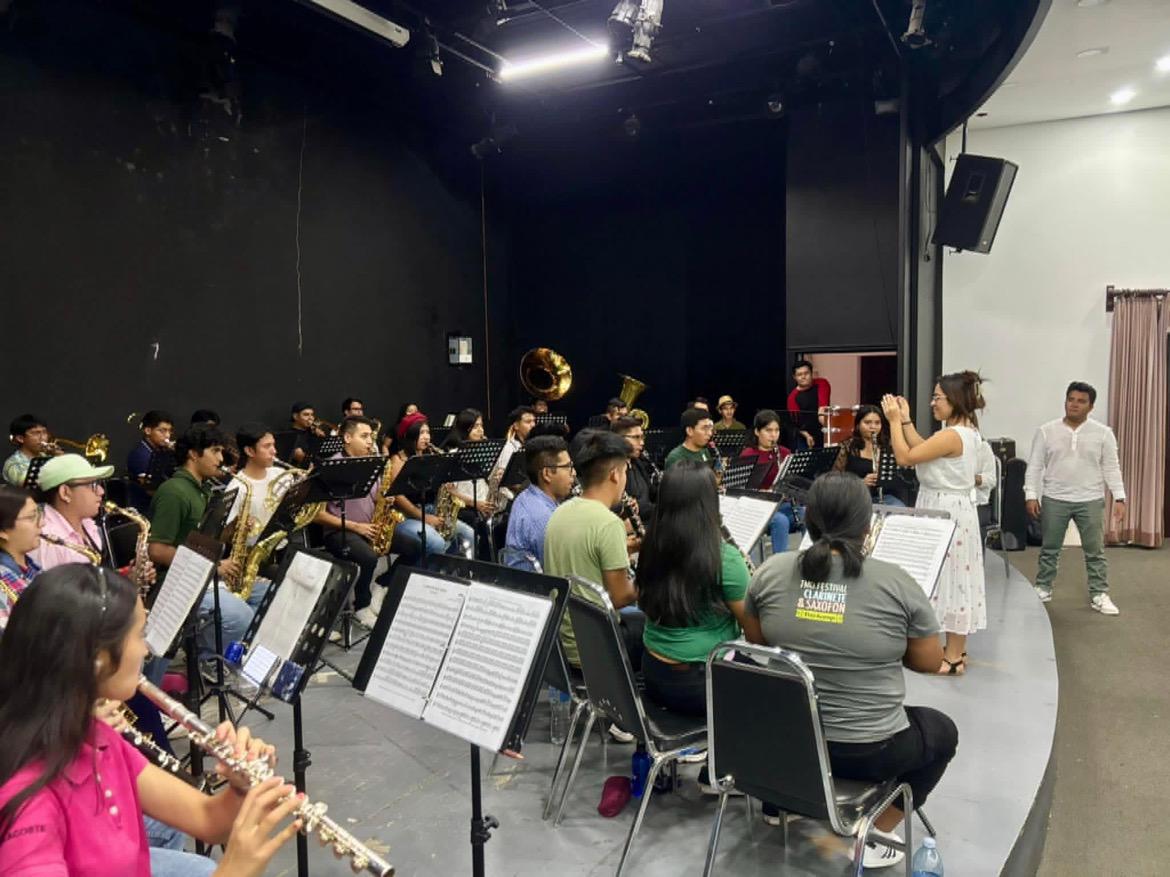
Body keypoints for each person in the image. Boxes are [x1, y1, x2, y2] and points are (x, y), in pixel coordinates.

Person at [0, 563, 300, 876]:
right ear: (98, 658)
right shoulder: (28, 802)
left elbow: (208, 819)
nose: (146, 650)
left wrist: (239, 788)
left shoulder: (97, 737)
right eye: (140, 635)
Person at [745, 472, 955, 867]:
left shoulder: (770, 571)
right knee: (942, 732)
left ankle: (782, 800)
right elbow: (929, 661)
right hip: (869, 750)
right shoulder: (896, 581)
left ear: (808, 520)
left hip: (785, 744)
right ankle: (875, 832)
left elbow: (757, 641)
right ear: (867, 526)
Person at [882, 372, 986, 675]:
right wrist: (906, 421)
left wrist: (893, 421)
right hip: (949, 506)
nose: (932, 403)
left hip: (946, 508)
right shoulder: (960, 432)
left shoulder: (953, 435)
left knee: (951, 576)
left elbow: (906, 457)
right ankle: (957, 650)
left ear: (954, 399)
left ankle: (953, 658)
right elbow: (924, 450)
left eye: (937, 397)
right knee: (953, 577)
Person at [636, 463, 752, 717]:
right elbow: (755, 636)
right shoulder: (724, 558)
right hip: (700, 685)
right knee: (783, 686)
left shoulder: (650, 544)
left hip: (653, 672)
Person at [147, 424, 255, 660]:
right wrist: (213, 567)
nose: (221, 458)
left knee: (264, 595)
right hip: (175, 582)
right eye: (215, 451)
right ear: (193, 454)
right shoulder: (174, 492)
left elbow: (207, 539)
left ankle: (215, 654)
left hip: (199, 573)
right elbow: (157, 550)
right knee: (241, 617)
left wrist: (234, 528)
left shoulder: (203, 488)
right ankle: (203, 659)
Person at [1025, 381, 1125, 614]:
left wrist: (1120, 498)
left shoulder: (1103, 433)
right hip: (1054, 498)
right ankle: (1043, 587)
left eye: (1081, 401)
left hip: (1090, 499)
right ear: (1065, 401)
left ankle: (1099, 593)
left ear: (1091, 406)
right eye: (1071, 399)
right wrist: (1031, 494)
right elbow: (1035, 466)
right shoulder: (1046, 431)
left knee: (1095, 551)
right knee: (1050, 548)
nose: (1074, 405)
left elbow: (1112, 467)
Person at [544, 430, 639, 668]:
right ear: (615, 474)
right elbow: (620, 597)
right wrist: (652, 573)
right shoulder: (609, 523)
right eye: (625, 471)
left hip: (561, 641)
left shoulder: (559, 511)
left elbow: (584, 560)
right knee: (657, 633)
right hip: (596, 647)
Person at [312, 416, 390, 626]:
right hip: (339, 532)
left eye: (371, 437)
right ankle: (362, 606)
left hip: (370, 527)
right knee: (369, 558)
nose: (370, 442)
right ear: (347, 438)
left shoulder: (371, 463)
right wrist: (357, 527)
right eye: (364, 436)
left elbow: (376, 499)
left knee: (416, 543)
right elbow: (317, 515)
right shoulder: (330, 468)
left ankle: (382, 585)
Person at [388, 416, 475, 563]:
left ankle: (442, 569)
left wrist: (446, 484)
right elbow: (398, 497)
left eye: (427, 432)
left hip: (429, 508)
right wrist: (424, 518)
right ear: (410, 435)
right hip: (405, 516)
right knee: (437, 543)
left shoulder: (430, 456)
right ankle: (414, 573)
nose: (426, 437)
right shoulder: (398, 460)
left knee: (468, 534)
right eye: (421, 433)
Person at [31, 454, 116, 570]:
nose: (101, 491)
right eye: (91, 485)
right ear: (65, 493)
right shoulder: (47, 541)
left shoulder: (88, 524)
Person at [503, 436, 573, 567]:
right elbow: (562, 568)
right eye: (568, 467)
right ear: (547, 474)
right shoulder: (544, 519)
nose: (573, 473)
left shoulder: (526, 495)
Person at [737, 409, 794, 553]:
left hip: (781, 504)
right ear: (757, 432)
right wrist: (763, 492)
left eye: (776, 430)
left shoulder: (785, 453)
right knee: (780, 521)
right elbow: (741, 490)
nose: (773, 435)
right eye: (768, 430)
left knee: (809, 514)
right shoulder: (748, 455)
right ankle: (779, 564)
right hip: (759, 507)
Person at [834, 404, 906, 507]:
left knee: (899, 509)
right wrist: (861, 482)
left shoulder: (888, 445)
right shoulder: (847, 446)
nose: (873, 427)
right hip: (855, 496)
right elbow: (835, 479)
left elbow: (899, 476)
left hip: (885, 497)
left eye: (877, 423)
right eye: (867, 423)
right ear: (858, 425)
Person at [0, 485, 42, 631]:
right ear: (3, 531)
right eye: (31, 517)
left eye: (39, 514)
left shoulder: (33, 568)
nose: (42, 523)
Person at [611, 416, 658, 523]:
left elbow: (652, 494)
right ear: (619, 439)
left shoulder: (639, 462)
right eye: (636, 437)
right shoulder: (612, 471)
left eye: (642, 437)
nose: (642, 443)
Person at [126, 410, 176, 493]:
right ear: (148, 431)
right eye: (162, 431)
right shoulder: (139, 455)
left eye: (170, 431)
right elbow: (150, 489)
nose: (168, 435)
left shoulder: (162, 450)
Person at [3, 414, 58, 487]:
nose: (43, 438)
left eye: (44, 432)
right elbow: (27, 485)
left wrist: (60, 457)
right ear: (20, 438)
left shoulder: (48, 456)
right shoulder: (13, 464)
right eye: (36, 433)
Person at [787, 360, 832, 449]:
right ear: (794, 377)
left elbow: (822, 409)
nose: (803, 377)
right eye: (799, 374)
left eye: (806, 373)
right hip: (805, 436)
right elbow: (796, 424)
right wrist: (807, 436)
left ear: (811, 373)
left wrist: (830, 431)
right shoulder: (792, 397)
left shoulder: (822, 383)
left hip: (824, 430)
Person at [288, 401, 324, 465]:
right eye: (306, 415)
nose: (311, 418)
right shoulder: (289, 435)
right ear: (295, 416)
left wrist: (322, 438)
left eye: (312, 415)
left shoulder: (314, 433)